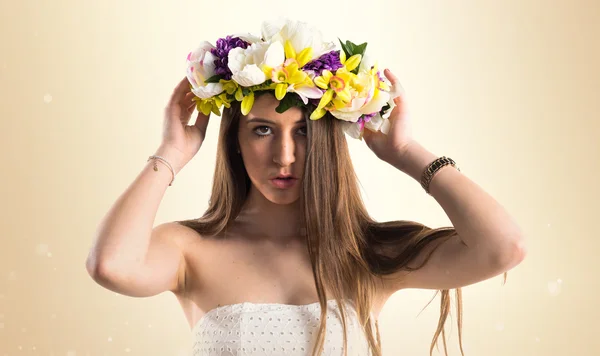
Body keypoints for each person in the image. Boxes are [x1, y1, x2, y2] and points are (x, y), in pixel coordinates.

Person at [85, 19, 527, 356]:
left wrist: (408, 152)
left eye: (303, 132)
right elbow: (110, 266)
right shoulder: (189, 249)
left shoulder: (368, 253)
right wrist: (171, 154)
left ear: (330, 143)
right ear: (235, 143)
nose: (284, 155)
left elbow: (503, 247)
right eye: (261, 130)